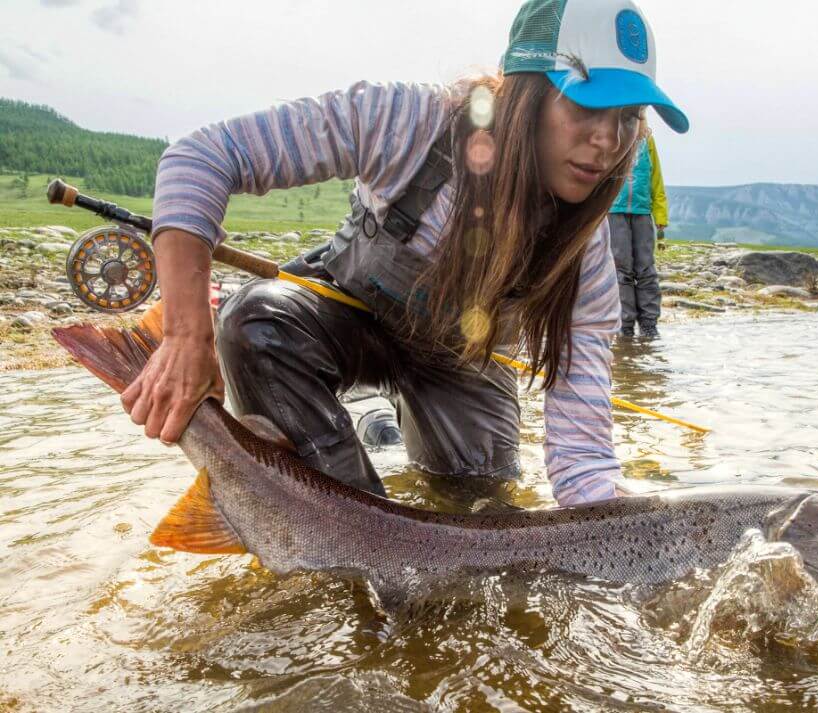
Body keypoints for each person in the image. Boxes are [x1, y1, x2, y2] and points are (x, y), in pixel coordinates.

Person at [120, 0, 689, 506]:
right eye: (588, 107)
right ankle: (346, 540)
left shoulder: (583, 257)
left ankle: (379, 438)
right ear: (525, 94)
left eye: (628, 118)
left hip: (460, 360)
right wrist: (184, 335)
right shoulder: (408, 122)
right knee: (254, 323)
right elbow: (202, 157)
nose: (609, 142)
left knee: (478, 499)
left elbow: (583, 464)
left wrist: (620, 520)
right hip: (343, 317)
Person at [609, 116, 669, 338]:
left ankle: (649, 324)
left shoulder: (648, 140)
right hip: (614, 210)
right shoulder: (611, 134)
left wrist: (660, 213)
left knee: (646, 268)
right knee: (621, 268)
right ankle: (625, 325)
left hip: (642, 211)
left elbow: (656, 178)